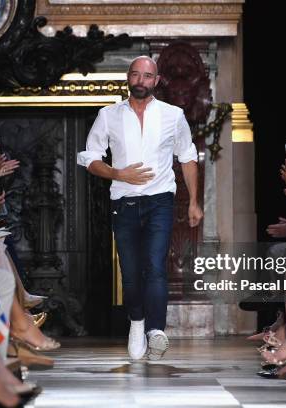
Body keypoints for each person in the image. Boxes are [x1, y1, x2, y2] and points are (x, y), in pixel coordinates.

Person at [77, 56, 203, 361]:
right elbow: (89, 157)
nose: (141, 81)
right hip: (124, 201)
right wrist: (118, 173)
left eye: (147, 76)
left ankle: (156, 331)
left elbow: (187, 156)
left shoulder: (174, 115)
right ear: (128, 78)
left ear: (156, 81)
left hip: (160, 198)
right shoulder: (108, 115)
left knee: (156, 265)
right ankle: (137, 322)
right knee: (131, 272)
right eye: (136, 75)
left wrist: (195, 202)